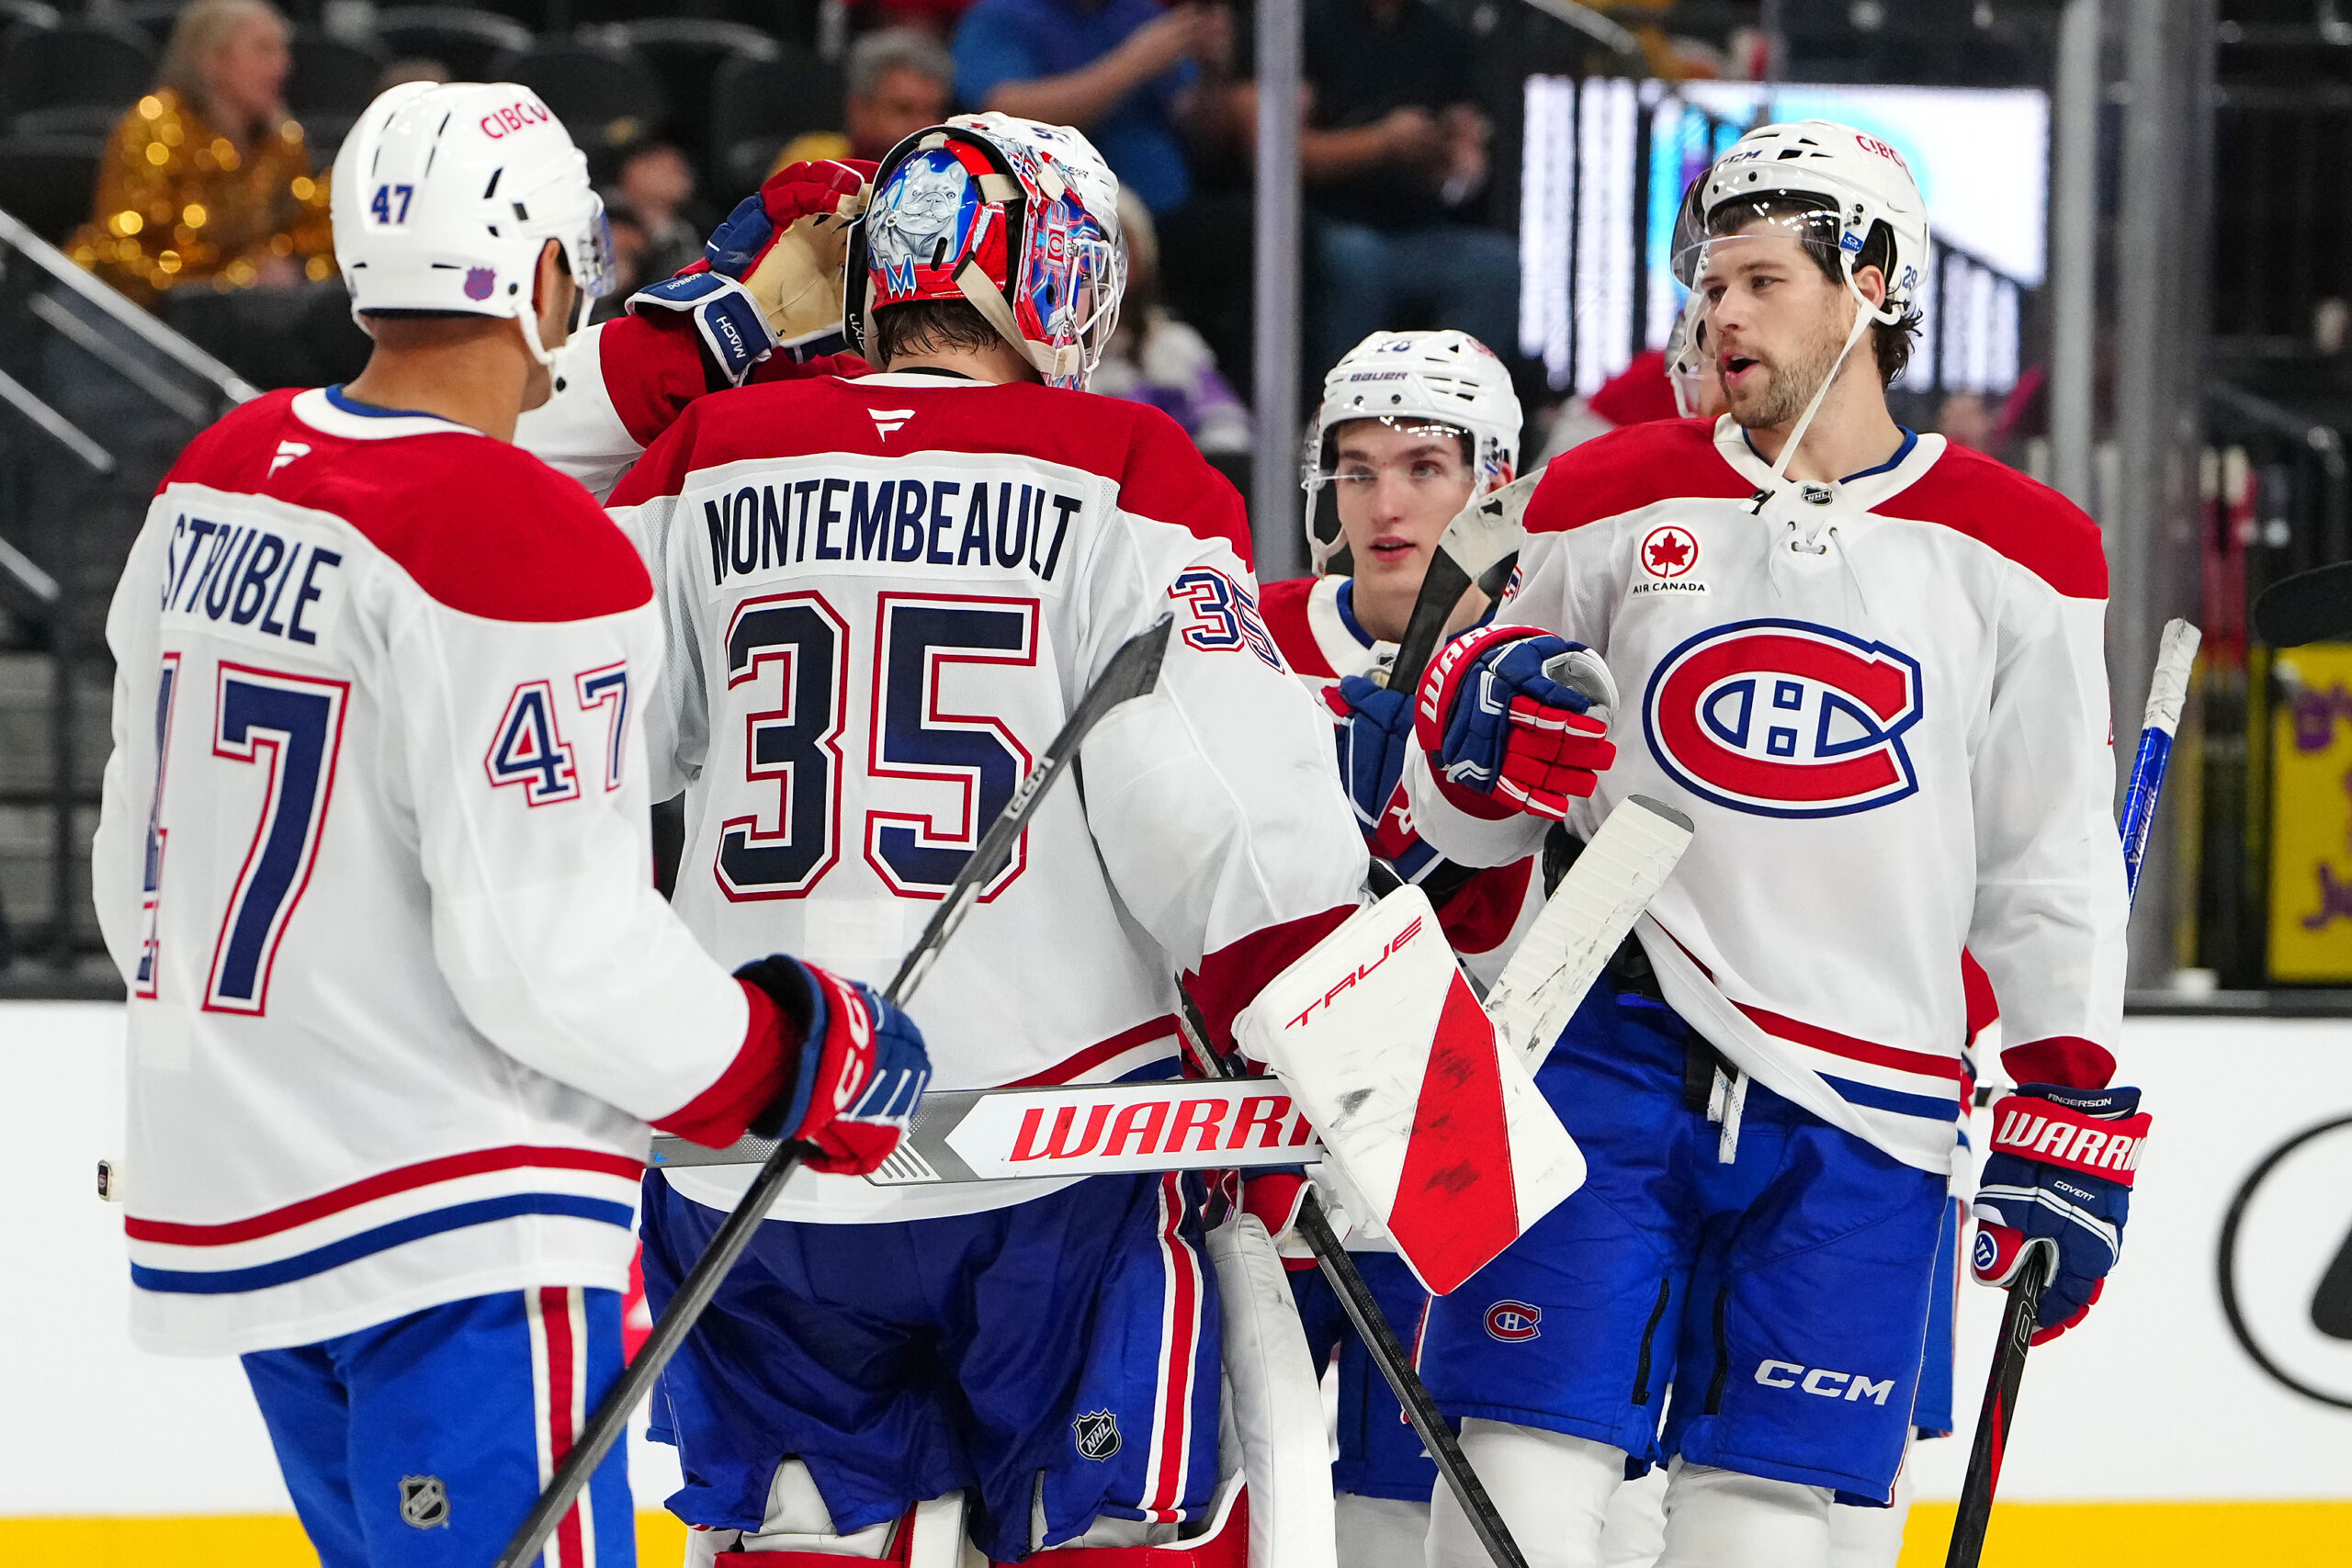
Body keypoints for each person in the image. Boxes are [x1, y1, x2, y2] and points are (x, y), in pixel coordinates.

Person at [86, 81, 930, 1568]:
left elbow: (127, 864)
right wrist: (778, 1055)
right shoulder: (520, 547)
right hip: (449, 1223)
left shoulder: (221, 473)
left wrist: (702, 333)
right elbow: (553, 950)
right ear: (551, 269)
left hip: (249, 1185)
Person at [540, 113, 1369, 1563]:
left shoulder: (709, 453)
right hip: (1052, 1148)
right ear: (1058, 275)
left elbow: (568, 733)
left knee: (801, 1535)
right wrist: (1345, 1092)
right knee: (1116, 1530)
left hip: (763, 1133)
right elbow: (1238, 835)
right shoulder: (1125, 462)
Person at [1378, 119, 2142, 1567]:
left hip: (1869, 1101)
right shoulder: (1603, 492)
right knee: (1514, 1486)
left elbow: (2048, 859)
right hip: (1595, 1056)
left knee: (1764, 1530)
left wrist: (2070, 1090)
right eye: (1709, 283)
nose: (1719, 312)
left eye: (1759, 280)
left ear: (1870, 281)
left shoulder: (2026, 549)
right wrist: (1473, 742)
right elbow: (1467, 814)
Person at [1250, 328, 1543, 1568]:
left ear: (1495, 479)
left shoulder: (1549, 657)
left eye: (1427, 463)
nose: (1388, 500)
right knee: (1231, 1494)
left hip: (1449, 1132)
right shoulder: (1250, 636)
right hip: (1252, 1134)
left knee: (1392, 1519)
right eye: (1358, 465)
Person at [1242, 0, 1517, 384]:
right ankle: (1335, 412)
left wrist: (1455, 155)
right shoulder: (1305, 24)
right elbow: (1273, 151)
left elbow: (1466, 139)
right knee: (1357, 262)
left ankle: (1453, 414)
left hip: (1418, 225)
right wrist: (1381, 143)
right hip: (1325, 221)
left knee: (1494, 266)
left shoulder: (1442, 32)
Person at [70, 0, 331, 306]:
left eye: (283, 50)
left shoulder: (282, 139)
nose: (283, 65)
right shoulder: (154, 129)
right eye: (264, 50)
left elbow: (294, 234)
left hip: (228, 318)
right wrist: (234, 281)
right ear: (211, 60)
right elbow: (121, 254)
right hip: (118, 311)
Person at [952, 0, 1233, 215]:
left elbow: (1199, 128)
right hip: (1065, 214)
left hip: (1173, 204)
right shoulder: (1000, 17)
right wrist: (1133, 64)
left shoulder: (1138, 12)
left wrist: (1212, 72)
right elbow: (1004, 114)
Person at [1091, 189, 1250, 453]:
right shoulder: (1049, 355)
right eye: (1097, 246)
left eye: (1121, 245)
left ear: (1144, 256)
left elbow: (1230, 431)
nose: (1110, 262)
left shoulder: (1173, 346)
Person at [775, 28, 957, 168]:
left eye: (933, 111)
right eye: (903, 109)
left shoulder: (954, 174)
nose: (924, 126)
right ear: (859, 109)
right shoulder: (812, 161)